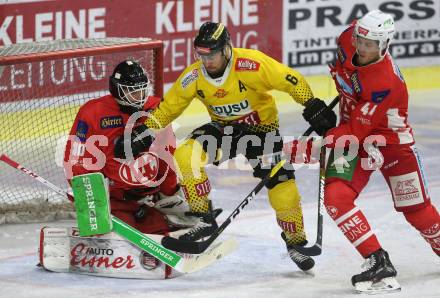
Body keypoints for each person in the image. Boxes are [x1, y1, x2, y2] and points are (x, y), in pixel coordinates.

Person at [114, 22, 336, 272]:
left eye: (212, 54)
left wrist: (312, 104)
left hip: (261, 133)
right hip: (224, 131)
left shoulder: (251, 64)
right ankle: (204, 218)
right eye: (201, 55)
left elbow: (290, 80)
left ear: (227, 49)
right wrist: (146, 131)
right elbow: (169, 107)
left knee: (283, 189)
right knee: (187, 154)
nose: (206, 60)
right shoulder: (194, 77)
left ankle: (295, 243)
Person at [303, 10, 440, 293]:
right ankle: (377, 260)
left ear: (385, 44)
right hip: (356, 135)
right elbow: (347, 78)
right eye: (360, 41)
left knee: (416, 211)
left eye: (371, 45)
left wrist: (327, 134)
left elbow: (355, 132)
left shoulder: (384, 81)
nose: (363, 48)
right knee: (336, 198)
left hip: (392, 144)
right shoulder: (348, 39)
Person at [64, 60, 196, 273]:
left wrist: (170, 194)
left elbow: (167, 155)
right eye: (132, 92)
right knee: (116, 240)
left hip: (146, 201)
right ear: (117, 90)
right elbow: (75, 160)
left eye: (142, 90)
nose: (140, 97)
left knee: (160, 233)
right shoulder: (93, 113)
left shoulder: (156, 109)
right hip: (113, 201)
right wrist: (87, 194)